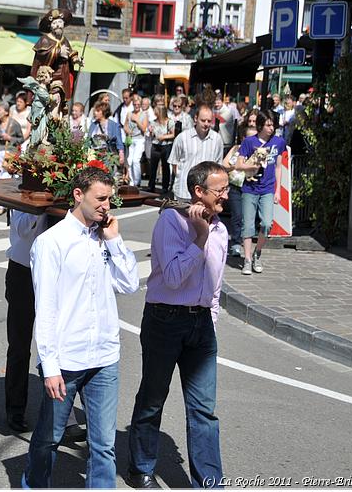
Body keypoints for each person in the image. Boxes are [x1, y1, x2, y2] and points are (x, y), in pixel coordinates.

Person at [22, 166, 140, 488]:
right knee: (49, 439)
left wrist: (115, 241)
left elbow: (130, 284)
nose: (107, 206)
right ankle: (34, 483)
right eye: (100, 199)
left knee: (104, 445)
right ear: (78, 195)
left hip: (104, 357)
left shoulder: (105, 236)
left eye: (110, 199)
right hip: (67, 359)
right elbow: (44, 308)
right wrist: (50, 366)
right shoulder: (51, 243)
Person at [125, 161, 229, 490]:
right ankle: (141, 466)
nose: (226, 195)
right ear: (199, 192)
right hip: (165, 319)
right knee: (153, 398)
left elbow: (213, 291)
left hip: (200, 326)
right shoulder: (171, 221)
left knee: (203, 410)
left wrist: (208, 324)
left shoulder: (222, 231)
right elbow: (171, 278)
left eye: (228, 188)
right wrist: (198, 240)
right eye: (220, 189)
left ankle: (209, 481)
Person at [4, 210, 87, 441]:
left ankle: (66, 417)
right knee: (20, 346)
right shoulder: (26, 188)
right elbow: (21, 229)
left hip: (58, 270)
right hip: (24, 272)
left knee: (62, 343)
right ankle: (15, 409)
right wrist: (39, 207)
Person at [237, 111, 285, 276]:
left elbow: (279, 167)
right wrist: (253, 166)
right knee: (248, 225)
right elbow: (238, 165)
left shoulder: (279, 142)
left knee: (266, 223)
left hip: (267, 189)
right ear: (260, 125)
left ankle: (258, 252)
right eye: (268, 124)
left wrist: (278, 190)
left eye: (273, 124)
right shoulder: (250, 142)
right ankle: (248, 260)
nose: (271, 128)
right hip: (250, 188)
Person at [168, 105, 223, 202]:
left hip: (206, 194)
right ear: (196, 118)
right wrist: (182, 177)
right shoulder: (182, 138)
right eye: (203, 120)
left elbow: (217, 165)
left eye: (209, 121)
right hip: (184, 192)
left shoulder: (216, 139)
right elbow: (174, 162)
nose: (206, 124)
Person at [30, 8, 80, 108]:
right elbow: (42, 57)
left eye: (59, 22)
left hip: (63, 75)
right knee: (54, 100)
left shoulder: (64, 39)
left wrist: (75, 60)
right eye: (54, 23)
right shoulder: (45, 39)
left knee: (62, 103)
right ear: (50, 26)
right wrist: (58, 52)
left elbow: (69, 52)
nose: (57, 25)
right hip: (51, 77)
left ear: (63, 24)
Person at [222, 126, 248, 258]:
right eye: (244, 137)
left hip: (249, 186)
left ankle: (246, 240)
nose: (246, 140)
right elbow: (224, 164)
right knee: (237, 215)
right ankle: (236, 243)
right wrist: (235, 166)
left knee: (246, 216)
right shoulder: (236, 149)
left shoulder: (256, 150)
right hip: (235, 185)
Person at [88, 101, 125, 178]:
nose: (95, 113)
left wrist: (121, 154)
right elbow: (88, 140)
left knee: (107, 176)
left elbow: (119, 141)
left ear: (104, 112)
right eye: (95, 111)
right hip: (94, 154)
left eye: (98, 111)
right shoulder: (93, 124)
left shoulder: (114, 125)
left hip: (108, 155)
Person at [147, 104, 175, 194]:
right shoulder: (153, 122)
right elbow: (151, 135)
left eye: (156, 111)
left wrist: (163, 137)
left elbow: (173, 134)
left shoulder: (169, 122)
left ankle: (165, 187)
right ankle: (151, 186)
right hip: (155, 145)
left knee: (165, 166)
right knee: (153, 167)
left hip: (165, 145)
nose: (155, 113)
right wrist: (150, 132)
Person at [124, 94, 149, 188]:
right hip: (131, 139)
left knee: (135, 160)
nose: (136, 106)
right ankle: (131, 181)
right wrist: (127, 130)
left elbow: (144, 129)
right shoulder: (129, 114)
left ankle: (137, 181)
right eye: (135, 104)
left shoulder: (144, 115)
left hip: (139, 139)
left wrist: (137, 120)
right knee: (129, 160)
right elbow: (125, 125)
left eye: (138, 104)